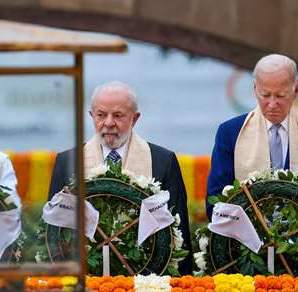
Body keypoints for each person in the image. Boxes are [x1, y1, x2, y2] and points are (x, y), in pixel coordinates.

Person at [48, 81, 192, 275]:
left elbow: (179, 235)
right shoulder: (67, 162)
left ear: (134, 119)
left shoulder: (163, 161)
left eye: (118, 116)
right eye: (101, 115)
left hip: (148, 279)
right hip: (85, 278)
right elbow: (54, 233)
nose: (108, 123)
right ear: (91, 115)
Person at [206, 54, 298, 217]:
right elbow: (215, 203)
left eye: (281, 95)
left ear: (296, 90)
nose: (272, 103)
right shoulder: (230, 133)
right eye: (265, 94)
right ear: (255, 89)